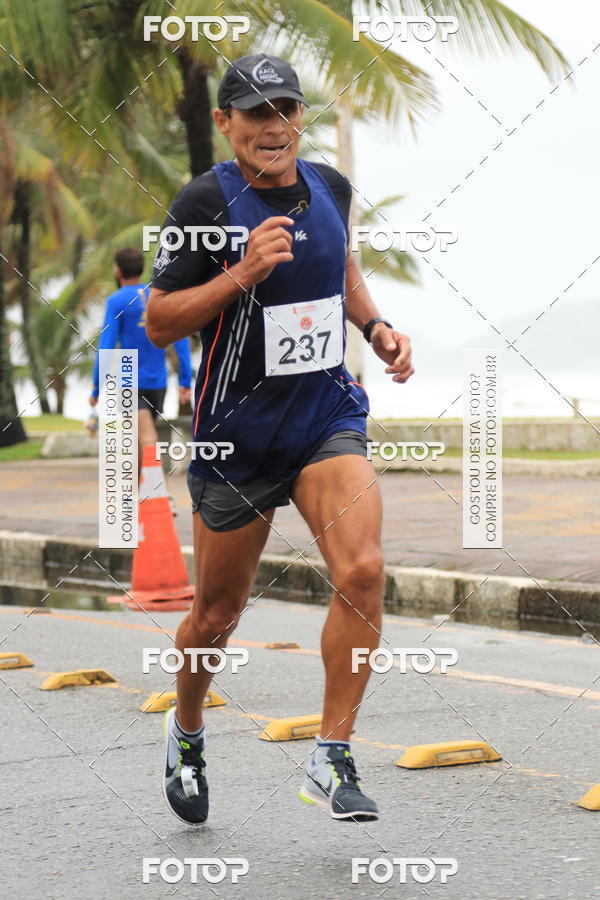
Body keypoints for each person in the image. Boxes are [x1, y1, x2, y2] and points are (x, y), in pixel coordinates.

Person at [146, 55, 414, 827]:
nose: (273, 126)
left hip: (326, 416)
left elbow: (341, 265)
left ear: (301, 116)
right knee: (215, 615)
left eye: (285, 110)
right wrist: (241, 273)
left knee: (362, 569)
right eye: (255, 112)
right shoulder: (206, 202)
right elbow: (159, 319)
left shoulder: (330, 187)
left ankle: (332, 755)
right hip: (238, 436)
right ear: (225, 122)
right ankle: (187, 731)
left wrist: (375, 325)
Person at [90, 247, 193, 477]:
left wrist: (96, 387)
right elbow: (181, 339)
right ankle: (142, 493)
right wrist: (185, 381)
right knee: (138, 438)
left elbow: (106, 345)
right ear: (143, 268)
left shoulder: (117, 301)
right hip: (158, 383)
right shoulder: (158, 295)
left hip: (130, 380)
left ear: (117, 271)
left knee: (145, 437)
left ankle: (158, 493)